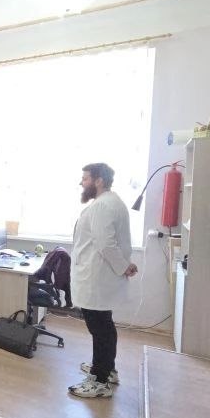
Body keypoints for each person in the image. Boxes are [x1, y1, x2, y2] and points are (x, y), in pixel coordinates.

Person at [68, 162, 137, 399]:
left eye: (85, 178)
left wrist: (124, 266)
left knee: (100, 328)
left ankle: (100, 380)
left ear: (99, 181)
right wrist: (124, 265)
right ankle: (107, 369)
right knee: (103, 326)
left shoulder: (102, 206)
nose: (81, 182)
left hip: (96, 277)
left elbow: (106, 244)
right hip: (99, 276)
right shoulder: (110, 202)